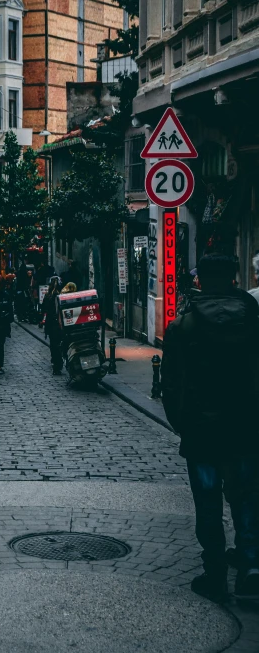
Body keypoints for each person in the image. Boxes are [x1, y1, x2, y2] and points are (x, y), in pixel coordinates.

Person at [161, 254, 259, 602]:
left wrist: (181, 422)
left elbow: (169, 383)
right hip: (247, 427)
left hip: (201, 430)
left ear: (200, 279)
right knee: (247, 498)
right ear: (234, 277)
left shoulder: (183, 324)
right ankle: (250, 567)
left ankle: (215, 571)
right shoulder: (254, 318)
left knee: (207, 502)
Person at [40, 276, 63, 375]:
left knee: (54, 344)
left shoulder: (48, 296)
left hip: (51, 323)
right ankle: (58, 363)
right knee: (58, 344)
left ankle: (56, 362)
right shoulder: (60, 296)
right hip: (58, 323)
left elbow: (43, 309)